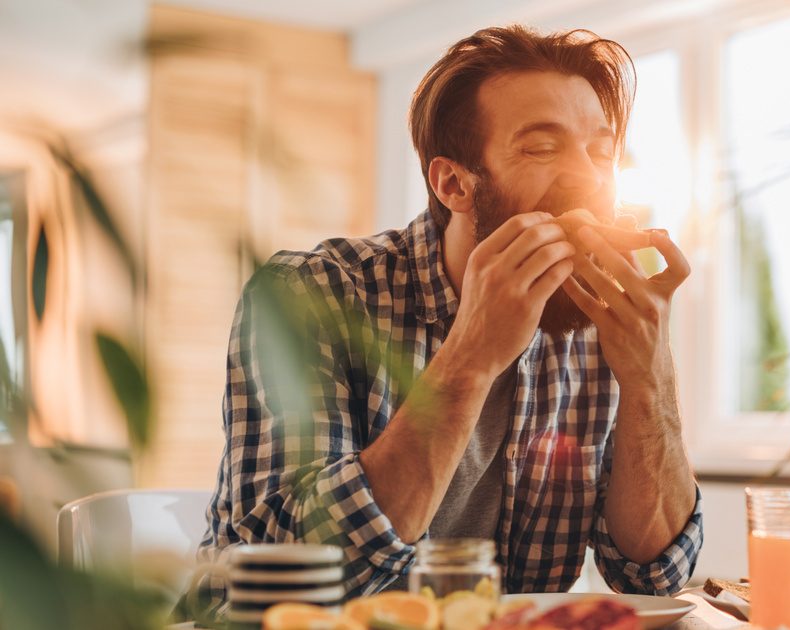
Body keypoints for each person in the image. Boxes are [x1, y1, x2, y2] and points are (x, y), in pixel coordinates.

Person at [198, 25, 702, 598]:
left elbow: (653, 573)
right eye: (541, 147)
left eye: (601, 152)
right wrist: (472, 353)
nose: (588, 177)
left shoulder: (599, 322)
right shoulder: (308, 295)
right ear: (454, 183)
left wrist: (650, 374)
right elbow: (278, 578)